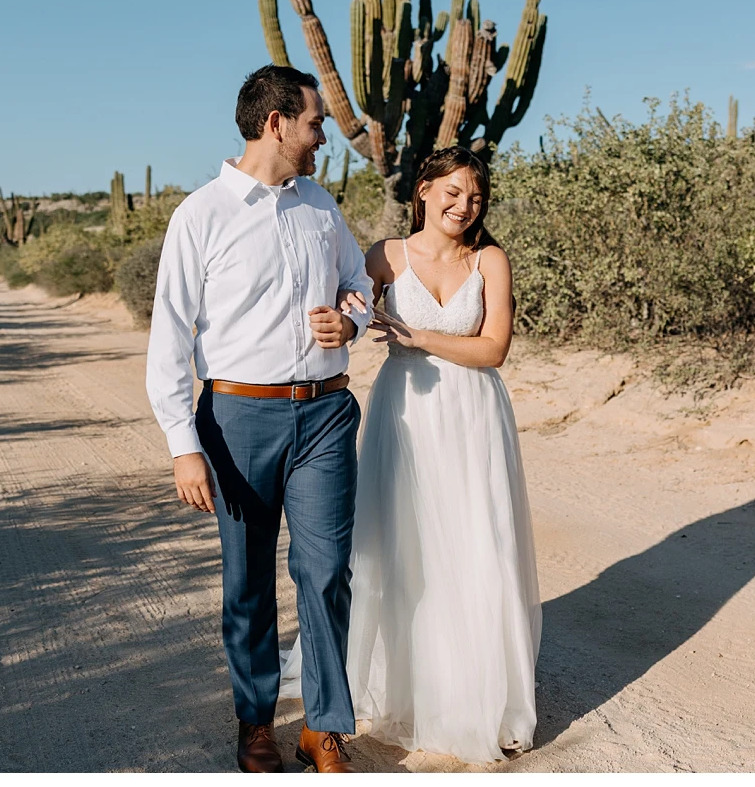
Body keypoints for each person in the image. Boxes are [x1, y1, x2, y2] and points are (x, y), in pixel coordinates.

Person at [280, 146, 542, 765]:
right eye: (452, 191)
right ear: (423, 190)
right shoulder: (384, 257)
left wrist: (418, 336)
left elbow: (494, 349)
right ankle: (396, 684)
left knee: (478, 541)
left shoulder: (490, 260)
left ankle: (482, 698)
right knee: (401, 542)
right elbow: (347, 306)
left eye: (475, 196)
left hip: (474, 411)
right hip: (405, 411)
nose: (463, 205)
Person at [146, 64, 374, 773]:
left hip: (327, 414)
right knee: (247, 581)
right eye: (315, 124)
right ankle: (255, 720)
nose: (322, 139)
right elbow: (169, 338)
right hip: (237, 418)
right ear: (276, 123)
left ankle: (323, 725)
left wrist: (351, 321)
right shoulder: (201, 214)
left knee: (327, 570)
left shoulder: (321, 205)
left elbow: (358, 283)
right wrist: (184, 445)